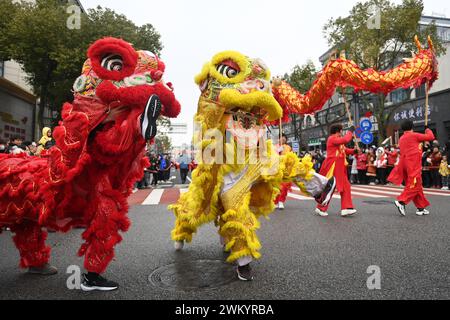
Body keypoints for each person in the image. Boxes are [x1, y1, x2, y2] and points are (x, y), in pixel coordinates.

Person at [388, 120, 435, 216]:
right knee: (415, 185)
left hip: (404, 163)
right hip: (412, 164)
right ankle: (401, 201)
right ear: (412, 127)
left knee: (417, 186)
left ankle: (420, 208)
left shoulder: (402, 138)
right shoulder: (414, 135)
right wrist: (427, 129)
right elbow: (431, 137)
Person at [315, 124, 358, 217]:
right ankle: (321, 207)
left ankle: (346, 208)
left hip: (339, 166)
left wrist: (354, 151)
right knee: (331, 187)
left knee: (345, 186)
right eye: (342, 131)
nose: (342, 133)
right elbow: (346, 139)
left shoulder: (338, 141)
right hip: (333, 166)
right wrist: (350, 131)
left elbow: (345, 150)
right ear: (339, 130)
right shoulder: (332, 138)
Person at [275, 134, 292, 210]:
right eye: (281, 137)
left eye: (284, 138)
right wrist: (278, 151)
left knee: (285, 185)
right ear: (279, 139)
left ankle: (281, 201)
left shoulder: (288, 147)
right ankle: (276, 201)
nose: (283, 139)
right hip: (277, 168)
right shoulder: (275, 147)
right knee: (277, 186)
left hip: (286, 169)